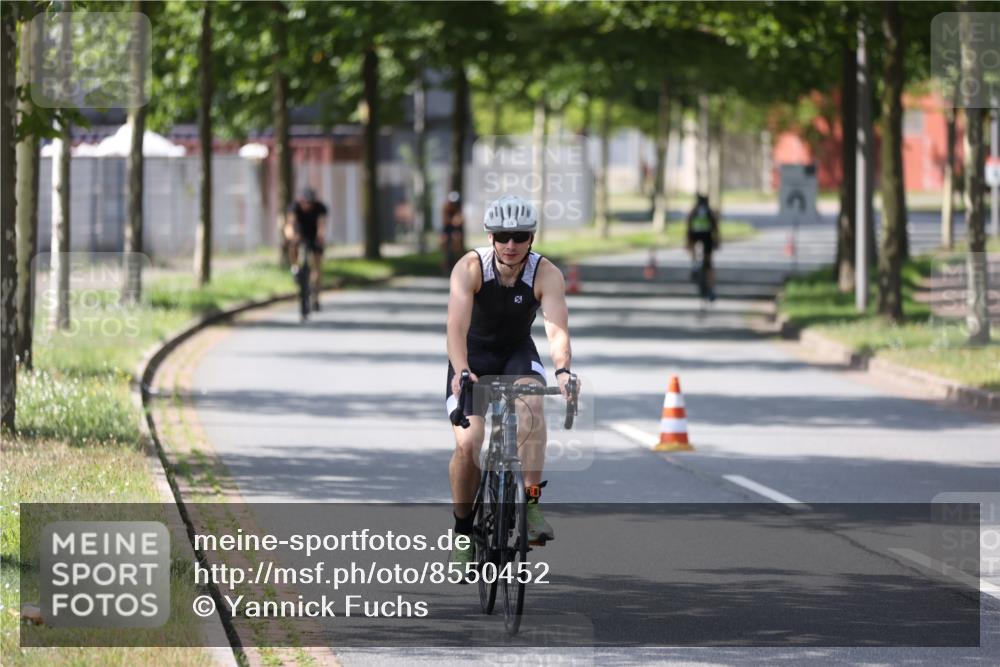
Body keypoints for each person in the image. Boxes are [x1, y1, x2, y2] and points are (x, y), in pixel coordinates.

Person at [445, 194, 576, 566]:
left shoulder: (545, 273)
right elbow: (455, 327)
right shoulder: (470, 268)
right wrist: (461, 370)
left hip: (517, 352)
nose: (511, 245)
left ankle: (530, 503)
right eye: (503, 236)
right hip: (472, 358)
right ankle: (462, 530)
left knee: (533, 402)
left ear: (531, 238)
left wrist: (563, 371)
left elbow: (556, 330)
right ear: (490, 237)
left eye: (520, 236)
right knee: (469, 445)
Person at [284, 187, 328, 310]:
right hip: (300, 234)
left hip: (314, 236)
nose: (307, 205)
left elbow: (321, 226)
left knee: (317, 266)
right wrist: (291, 236)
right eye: (305, 202)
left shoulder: (320, 208)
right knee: (293, 245)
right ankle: (295, 267)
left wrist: (320, 238)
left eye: (310, 202)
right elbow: (290, 224)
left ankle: (316, 298)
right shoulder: (294, 207)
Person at [685, 193, 720, 301]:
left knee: (693, 249)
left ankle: (694, 265)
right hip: (707, 238)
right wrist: (718, 241)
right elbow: (716, 230)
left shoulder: (693, 212)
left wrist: (687, 243)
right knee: (709, 264)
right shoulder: (710, 212)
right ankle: (712, 289)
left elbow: (688, 229)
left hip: (695, 237)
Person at [440, 191, 466, 275]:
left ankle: (457, 258)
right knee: (443, 240)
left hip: (457, 229)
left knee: (456, 238)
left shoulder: (460, 209)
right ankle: (446, 259)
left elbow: (459, 222)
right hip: (447, 228)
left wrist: (454, 221)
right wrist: (453, 221)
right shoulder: (446, 207)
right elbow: (446, 221)